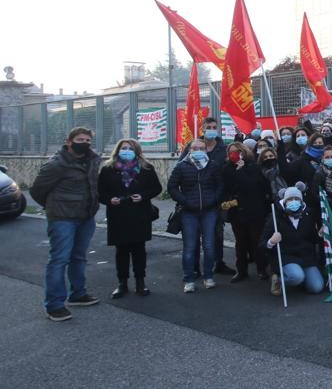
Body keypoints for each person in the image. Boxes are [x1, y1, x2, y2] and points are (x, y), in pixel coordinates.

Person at [31, 127, 102, 321]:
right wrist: (54, 207)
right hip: (63, 218)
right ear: (68, 141)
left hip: (85, 217)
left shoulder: (92, 161)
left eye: (88, 140)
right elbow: (37, 191)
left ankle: (78, 294)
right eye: (80, 139)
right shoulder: (57, 164)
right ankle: (54, 305)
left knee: (78, 257)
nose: (85, 143)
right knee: (59, 260)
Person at [98, 138, 162, 299]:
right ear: (118, 150)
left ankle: (140, 283)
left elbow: (156, 188)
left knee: (139, 250)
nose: (126, 150)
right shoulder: (108, 169)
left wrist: (142, 196)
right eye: (123, 148)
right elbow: (100, 192)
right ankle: (122, 283)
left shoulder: (146, 168)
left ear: (137, 151)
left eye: (130, 148)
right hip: (118, 214)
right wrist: (109, 200)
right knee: (121, 251)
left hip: (139, 213)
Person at [179, 118, 236, 276]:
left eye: (214, 127)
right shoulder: (194, 146)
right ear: (202, 129)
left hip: (216, 198)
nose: (211, 129)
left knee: (217, 232)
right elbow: (180, 167)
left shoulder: (223, 148)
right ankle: (195, 267)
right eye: (208, 127)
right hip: (194, 198)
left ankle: (218, 263)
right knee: (194, 235)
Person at [168, 138, 225, 293]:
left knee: (209, 246)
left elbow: (220, 185)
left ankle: (208, 277)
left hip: (209, 211)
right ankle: (189, 279)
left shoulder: (212, 166)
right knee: (190, 247)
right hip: (189, 212)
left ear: (206, 150)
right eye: (195, 148)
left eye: (201, 148)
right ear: (189, 150)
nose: (198, 151)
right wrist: (184, 201)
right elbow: (172, 187)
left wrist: (214, 199)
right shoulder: (181, 166)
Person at [260, 184, 325, 295]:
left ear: (301, 200)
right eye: (290, 199)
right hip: (287, 257)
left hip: (306, 257)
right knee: (296, 277)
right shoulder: (275, 217)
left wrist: (319, 234)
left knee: (317, 287)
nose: (294, 201)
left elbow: (312, 238)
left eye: (297, 199)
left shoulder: (308, 214)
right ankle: (279, 280)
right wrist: (271, 241)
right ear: (284, 201)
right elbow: (262, 244)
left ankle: (300, 279)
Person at [222, 142, 271, 283]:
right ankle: (241, 270)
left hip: (254, 210)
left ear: (243, 152)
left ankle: (262, 269)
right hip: (236, 210)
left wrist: (241, 170)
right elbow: (227, 188)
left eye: (237, 151)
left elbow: (252, 185)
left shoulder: (253, 167)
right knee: (241, 242)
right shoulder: (226, 169)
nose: (234, 154)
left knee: (257, 240)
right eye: (231, 152)